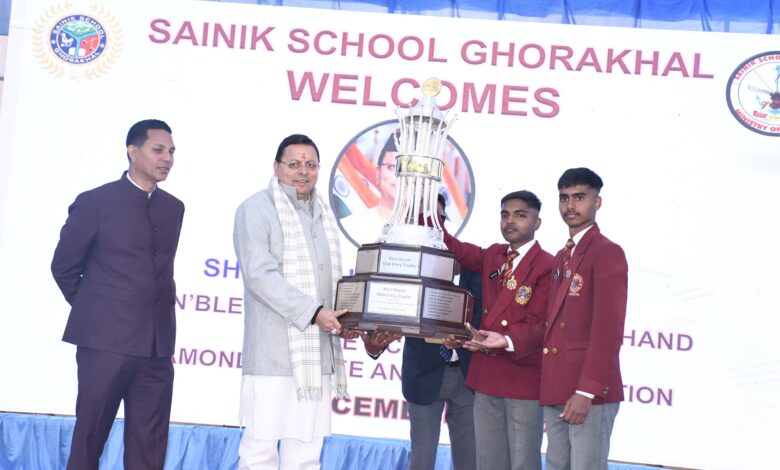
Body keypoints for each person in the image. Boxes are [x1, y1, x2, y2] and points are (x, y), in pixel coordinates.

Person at [51, 119, 184, 470]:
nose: (167, 158)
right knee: (89, 438)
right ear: (133, 151)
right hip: (105, 345)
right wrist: (101, 313)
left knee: (149, 447)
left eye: (171, 152)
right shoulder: (95, 202)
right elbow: (64, 267)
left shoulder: (173, 208)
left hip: (157, 349)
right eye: (158, 150)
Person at [233, 134, 353, 470]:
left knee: (306, 454)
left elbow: (328, 283)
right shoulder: (256, 209)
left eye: (310, 165)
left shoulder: (323, 213)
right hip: (272, 356)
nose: (303, 171)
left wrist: (346, 319)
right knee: (260, 452)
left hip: (315, 355)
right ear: (276, 167)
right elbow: (259, 276)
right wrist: (314, 313)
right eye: (294, 164)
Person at [362, 194, 482, 470]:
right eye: (421, 219)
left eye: (434, 218)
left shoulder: (471, 263)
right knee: (421, 460)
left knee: (470, 461)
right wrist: (373, 346)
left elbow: (483, 316)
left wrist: (467, 336)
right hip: (423, 376)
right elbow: (381, 318)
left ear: (444, 222)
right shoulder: (399, 266)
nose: (428, 224)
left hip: (468, 376)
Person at [444, 190, 552, 470]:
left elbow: (543, 325)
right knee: (488, 461)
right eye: (505, 215)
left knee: (522, 462)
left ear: (537, 223)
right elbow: (456, 249)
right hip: (487, 375)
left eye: (520, 215)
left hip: (522, 377)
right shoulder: (494, 254)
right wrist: (428, 217)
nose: (510, 221)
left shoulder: (547, 265)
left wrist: (505, 340)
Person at [540, 168, 628, 470]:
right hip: (558, 386)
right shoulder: (562, 257)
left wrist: (585, 391)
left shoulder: (607, 252)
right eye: (564, 198)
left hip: (588, 392)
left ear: (597, 202)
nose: (570, 205)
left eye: (579, 197)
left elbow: (608, 329)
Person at [338, 131, 398, 245]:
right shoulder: (350, 227)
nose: (401, 176)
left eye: (410, 169)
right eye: (392, 167)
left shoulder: (432, 231)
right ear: (378, 174)